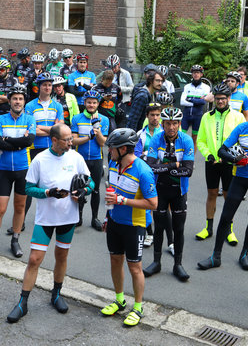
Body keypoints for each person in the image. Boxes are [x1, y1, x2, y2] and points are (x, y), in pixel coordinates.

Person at [6, 123, 94, 323]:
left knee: (61, 256)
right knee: (34, 259)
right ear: (54, 140)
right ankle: (23, 303)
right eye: (67, 139)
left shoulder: (76, 157)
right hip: (46, 218)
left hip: (68, 218)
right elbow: (28, 188)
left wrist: (84, 191)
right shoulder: (40, 159)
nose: (71, 142)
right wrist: (48, 192)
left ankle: (56, 294)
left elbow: (91, 182)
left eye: (71, 138)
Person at [198, 97, 248, 271]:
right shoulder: (241, 128)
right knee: (226, 215)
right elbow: (222, 150)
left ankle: (244, 254)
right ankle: (215, 256)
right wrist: (234, 159)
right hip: (240, 178)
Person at [100, 128, 157, 327]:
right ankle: (119, 300)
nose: (110, 151)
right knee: (115, 261)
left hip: (135, 225)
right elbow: (112, 195)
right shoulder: (114, 165)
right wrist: (108, 215)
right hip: (115, 221)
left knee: (135, 268)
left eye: (112, 148)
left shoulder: (143, 170)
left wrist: (122, 200)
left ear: (123, 149)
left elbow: (153, 204)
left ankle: (138, 307)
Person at [0, 84, 36, 262]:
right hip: (5, 171)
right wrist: (18, 142)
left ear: (24, 102)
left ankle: (15, 241)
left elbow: (29, 140)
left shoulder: (30, 119)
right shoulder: (1, 119)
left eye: (20, 99)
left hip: (23, 170)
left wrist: (8, 140)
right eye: (14, 98)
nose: (17, 101)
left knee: (19, 208)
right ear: (9, 101)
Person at [142, 107, 194, 282]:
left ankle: (178, 264)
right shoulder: (156, 138)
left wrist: (163, 168)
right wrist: (173, 166)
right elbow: (150, 167)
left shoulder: (186, 140)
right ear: (162, 124)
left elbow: (188, 171)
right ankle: (156, 262)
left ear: (180, 124)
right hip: (160, 190)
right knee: (159, 227)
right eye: (168, 123)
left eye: (175, 123)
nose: (171, 127)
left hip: (179, 191)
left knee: (179, 228)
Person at [195, 84, 246, 241]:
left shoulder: (238, 117)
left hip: (230, 162)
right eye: (217, 98)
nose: (220, 101)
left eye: (223, 98)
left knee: (228, 196)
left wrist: (234, 157)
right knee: (211, 194)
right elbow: (201, 140)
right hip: (212, 162)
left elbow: (243, 140)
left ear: (229, 98)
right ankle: (208, 228)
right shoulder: (207, 117)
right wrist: (209, 155)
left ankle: (228, 230)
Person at [21, 72, 64, 230]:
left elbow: (60, 129)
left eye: (50, 85)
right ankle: (21, 220)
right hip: (34, 149)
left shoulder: (57, 106)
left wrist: (44, 129)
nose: (47, 87)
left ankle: (51, 219)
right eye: (44, 84)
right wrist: (51, 129)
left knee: (52, 184)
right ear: (38, 86)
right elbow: (30, 130)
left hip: (52, 150)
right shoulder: (30, 106)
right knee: (30, 186)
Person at [71, 90, 109, 230]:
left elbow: (102, 143)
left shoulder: (103, 120)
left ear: (98, 104)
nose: (91, 105)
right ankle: (78, 217)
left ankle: (95, 218)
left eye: (94, 102)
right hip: (80, 159)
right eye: (89, 102)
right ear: (84, 103)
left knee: (96, 189)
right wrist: (88, 136)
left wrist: (97, 130)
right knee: (79, 188)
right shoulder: (76, 118)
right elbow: (74, 141)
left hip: (96, 159)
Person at [134, 103, 164, 248]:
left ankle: (163, 234)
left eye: (157, 115)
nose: (155, 118)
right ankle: (149, 233)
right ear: (147, 116)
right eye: (152, 115)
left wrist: (147, 155)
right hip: (146, 175)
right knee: (147, 204)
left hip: (162, 174)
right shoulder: (140, 134)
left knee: (162, 206)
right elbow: (137, 156)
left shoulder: (165, 132)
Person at [180, 64, 211, 152]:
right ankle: (181, 156)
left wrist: (189, 99)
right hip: (186, 115)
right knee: (181, 136)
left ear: (201, 74)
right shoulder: (187, 87)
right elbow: (182, 102)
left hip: (197, 116)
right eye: (194, 73)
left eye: (198, 72)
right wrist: (195, 101)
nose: (196, 74)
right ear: (192, 74)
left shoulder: (206, 87)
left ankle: (191, 160)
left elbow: (203, 102)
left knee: (195, 138)